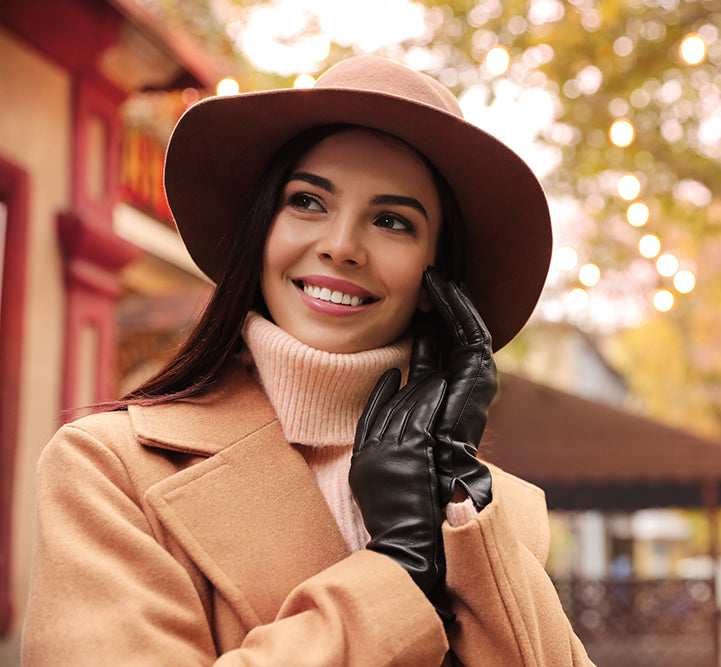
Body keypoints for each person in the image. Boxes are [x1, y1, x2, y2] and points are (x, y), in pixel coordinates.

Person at [21, 56, 594, 665]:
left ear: (437, 281)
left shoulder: (488, 513)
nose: (341, 245)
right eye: (308, 202)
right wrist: (396, 568)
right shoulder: (112, 469)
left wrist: (454, 494)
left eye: (392, 221)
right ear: (262, 228)